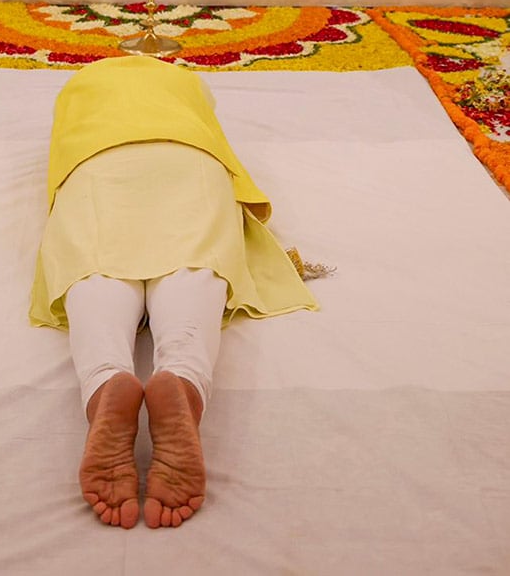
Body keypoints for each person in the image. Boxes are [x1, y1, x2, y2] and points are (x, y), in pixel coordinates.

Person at [29, 55, 318, 530]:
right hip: (190, 163)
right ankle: (182, 379)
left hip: (96, 165)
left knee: (95, 266)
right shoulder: (189, 89)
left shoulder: (79, 90)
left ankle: (106, 383)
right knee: (194, 262)